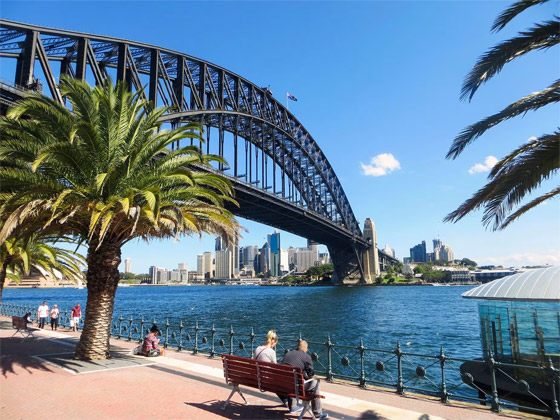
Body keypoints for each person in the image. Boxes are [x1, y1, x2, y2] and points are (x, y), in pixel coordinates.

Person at [282, 340, 328, 419]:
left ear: (297, 347)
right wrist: (309, 379)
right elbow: (311, 374)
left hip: (282, 383)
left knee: (291, 379)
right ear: (306, 349)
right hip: (295, 386)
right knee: (315, 384)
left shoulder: (288, 353)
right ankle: (317, 413)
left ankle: (292, 406)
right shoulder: (306, 357)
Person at [254, 330, 292, 409]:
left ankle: (286, 401)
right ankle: (289, 402)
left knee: (277, 381)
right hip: (266, 380)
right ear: (273, 341)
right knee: (285, 381)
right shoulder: (271, 351)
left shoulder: (258, 348)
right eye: (275, 344)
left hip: (257, 378)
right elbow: (275, 368)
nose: (274, 346)